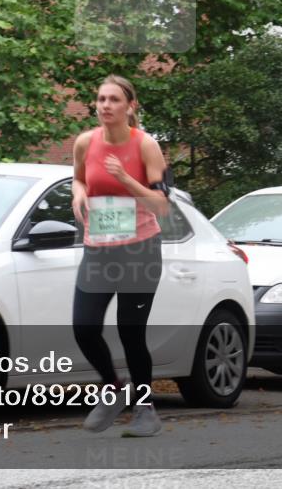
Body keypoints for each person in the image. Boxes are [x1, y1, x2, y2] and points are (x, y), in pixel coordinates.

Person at [71, 75, 170, 437]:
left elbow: (161, 204)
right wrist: (78, 194)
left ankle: (145, 410)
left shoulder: (146, 146)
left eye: (114, 99)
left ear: (131, 106)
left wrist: (127, 180)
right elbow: (79, 178)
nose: (105, 105)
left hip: (140, 250)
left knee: (131, 333)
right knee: (84, 327)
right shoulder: (85, 142)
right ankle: (113, 388)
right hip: (98, 248)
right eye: (100, 99)